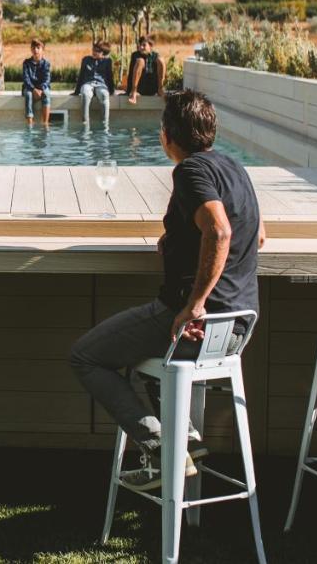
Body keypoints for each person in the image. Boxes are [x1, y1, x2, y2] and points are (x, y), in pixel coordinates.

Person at [69, 90, 265, 490]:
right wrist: (176, 240)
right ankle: (188, 442)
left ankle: (161, 448)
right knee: (152, 362)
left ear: (166, 136)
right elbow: (257, 235)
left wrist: (195, 303)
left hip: (194, 324)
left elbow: (219, 229)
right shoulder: (234, 168)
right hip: (238, 325)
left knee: (86, 356)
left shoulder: (190, 171)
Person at [72, 40, 114, 126]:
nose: (94, 52)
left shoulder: (107, 61)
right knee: (85, 93)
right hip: (88, 82)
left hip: (101, 84)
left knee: (104, 94)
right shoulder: (86, 60)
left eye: (97, 51)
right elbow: (81, 75)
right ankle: (85, 122)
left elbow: (110, 76)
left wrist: (112, 90)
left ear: (103, 53)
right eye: (94, 50)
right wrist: (76, 91)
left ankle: (104, 123)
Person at [125, 35, 166, 103]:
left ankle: (160, 89)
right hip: (139, 88)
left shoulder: (155, 56)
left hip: (152, 87)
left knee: (161, 60)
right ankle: (133, 93)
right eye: (140, 45)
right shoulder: (135, 55)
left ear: (150, 47)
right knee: (140, 61)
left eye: (144, 45)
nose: (141, 47)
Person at [21, 39, 52, 126]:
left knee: (46, 93)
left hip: (42, 87)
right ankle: (30, 121)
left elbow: (47, 79)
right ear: (31, 49)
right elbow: (26, 79)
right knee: (28, 94)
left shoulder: (46, 64)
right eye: (33, 48)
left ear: (42, 50)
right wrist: (33, 89)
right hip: (29, 87)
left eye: (38, 48)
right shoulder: (26, 63)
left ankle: (45, 122)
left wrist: (41, 89)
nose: (36, 50)